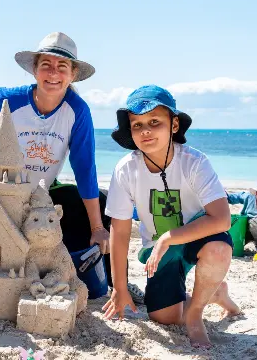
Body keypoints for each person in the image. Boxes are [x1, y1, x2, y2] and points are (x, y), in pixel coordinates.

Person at [0, 32, 143, 300]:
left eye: (62, 67)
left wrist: (98, 227)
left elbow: (84, 168)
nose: (53, 73)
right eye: (46, 65)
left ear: (73, 74)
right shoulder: (10, 99)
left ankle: (114, 282)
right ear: (34, 70)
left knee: (103, 205)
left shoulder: (77, 111)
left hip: (41, 198)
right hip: (2, 195)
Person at [102, 85, 240, 348]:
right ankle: (215, 292)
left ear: (174, 125)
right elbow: (119, 231)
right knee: (162, 317)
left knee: (219, 248)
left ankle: (196, 314)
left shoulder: (194, 162)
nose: (145, 131)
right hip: (158, 252)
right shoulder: (125, 169)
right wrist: (119, 287)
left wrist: (169, 236)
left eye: (155, 122)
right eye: (137, 125)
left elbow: (222, 219)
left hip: (199, 240)